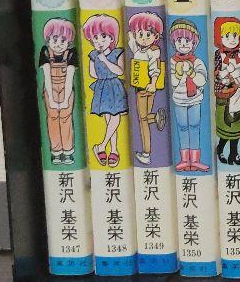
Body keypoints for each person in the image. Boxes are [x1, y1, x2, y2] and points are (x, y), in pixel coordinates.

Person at [84, 14, 127, 167]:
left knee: (115, 117)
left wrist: (106, 62)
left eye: (103, 36)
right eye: (95, 38)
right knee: (109, 120)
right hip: (102, 88)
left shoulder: (117, 52)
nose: (99, 41)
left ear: (112, 37)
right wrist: (100, 66)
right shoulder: (93, 55)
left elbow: (120, 70)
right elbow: (92, 73)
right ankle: (113, 149)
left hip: (114, 86)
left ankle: (102, 146)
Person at [128, 11, 167, 165]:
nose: (144, 38)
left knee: (142, 120)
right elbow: (131, 41)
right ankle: (156, 117)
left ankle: (146, 153)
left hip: (145, 89)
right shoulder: (138, 50)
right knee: (144, 117)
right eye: (140, 34)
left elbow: (154, 68)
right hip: (143, 88)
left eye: (148, 34)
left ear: (156, 36)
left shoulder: (153, 52)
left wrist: (153, 83)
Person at [170, 19, 208, 171]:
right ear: (174, 42)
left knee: (194, 126)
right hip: (179, 100)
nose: (183, 44)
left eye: (187, 40)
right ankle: (184, 159)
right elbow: (172, 82)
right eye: (179, 40)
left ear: (194, 43)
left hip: (195, 99)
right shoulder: (173, 61)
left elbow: (202, 80)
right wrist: (178, 74)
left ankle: (195, 159)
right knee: (182, 127)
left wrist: (191, 72)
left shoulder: (197, 61)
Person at [212, 16, 240, 166]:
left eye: (235, 35)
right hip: (224, 94)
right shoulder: (219, 54)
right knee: (226, 126)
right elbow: (216, 74)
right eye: (227, 36)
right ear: (220, 37)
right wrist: (225, 77)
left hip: (238, 93)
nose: (232, 39)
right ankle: (220, 149)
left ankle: (234, 155)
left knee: (237, 125)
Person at [38, 17, 77, 165]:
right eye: (55, 39)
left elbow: (70, 78)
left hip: (66, 89)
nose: (58, 43)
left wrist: (66, 98)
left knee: (66, 118)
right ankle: (56, 151)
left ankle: (68, 152)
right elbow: (47, 77)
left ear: (69, 41)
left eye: (63, 40)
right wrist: (52, 99)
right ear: (48, 39)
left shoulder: (71, 53)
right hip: (50, 88)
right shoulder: (45, 52)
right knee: (52, 118)